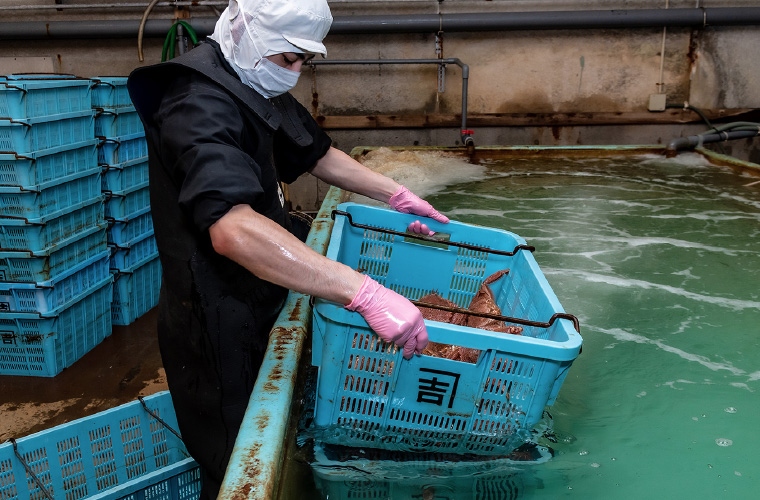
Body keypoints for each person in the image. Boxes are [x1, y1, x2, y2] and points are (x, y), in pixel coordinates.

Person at [127, 0, 449, 497]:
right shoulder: (196, 101)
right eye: (287, 59)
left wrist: (396, 195)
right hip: (216, 318)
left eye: (305, 61)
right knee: (236, 459)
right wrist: (363, 292)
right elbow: (231, 229)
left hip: (263, 291)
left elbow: (317, 153)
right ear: (244, 34)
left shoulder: (255, 78)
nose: (295, 73)